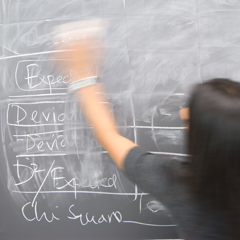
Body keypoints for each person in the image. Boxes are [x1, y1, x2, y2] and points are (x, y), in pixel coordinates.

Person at [57, 38, 240, 240]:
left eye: (190, 120)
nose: (181, 113)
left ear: (204, 142)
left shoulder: (183, 189)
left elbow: (107, 135)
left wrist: (81, 72)